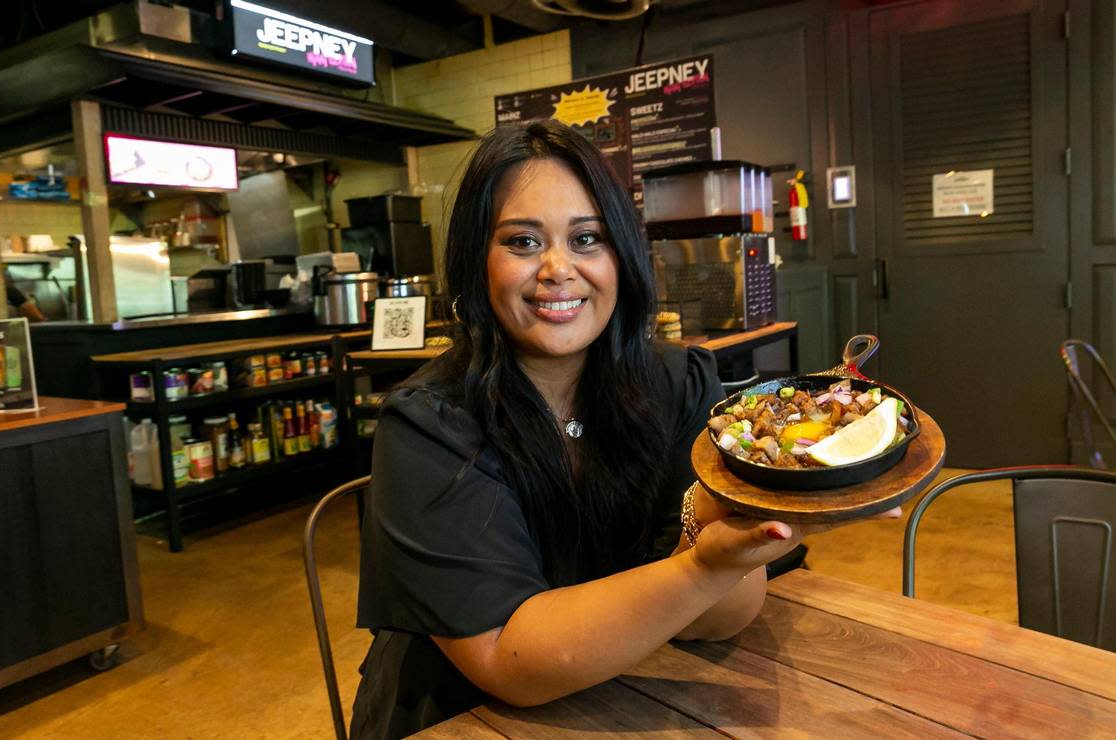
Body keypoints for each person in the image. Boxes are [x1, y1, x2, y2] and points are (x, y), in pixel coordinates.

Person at [353, 120, 898, 738]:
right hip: (461, 716)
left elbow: (714, 621)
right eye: (523, 242)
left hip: (632, 693)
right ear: (477, 260)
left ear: (622, 257)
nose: (558, 269)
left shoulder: (678, 383)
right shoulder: (429, 425)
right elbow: (509, 661)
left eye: (588, 238)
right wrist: (698, 569)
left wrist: (741, 524)